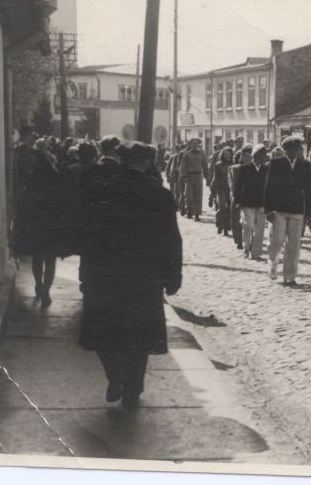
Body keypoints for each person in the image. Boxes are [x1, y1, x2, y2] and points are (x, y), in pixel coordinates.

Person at [79, 142, 182, 408]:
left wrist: (85, 273)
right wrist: (173, 276)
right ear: (148, 162)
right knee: (139, 334)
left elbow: (89, 238)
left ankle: (114, 375)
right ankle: (133, 387)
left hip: (106, 274)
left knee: (106, 331)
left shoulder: (104, 190)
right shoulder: (159, 194)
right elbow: (171, 238)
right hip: (144, 276)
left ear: (122, 161)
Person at [13, 137, 72, 307]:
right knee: (50, 259)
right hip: (53, 225)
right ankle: (46, 290)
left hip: (37, 224)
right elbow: (63, 204)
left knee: (37, 258)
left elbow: (25, 205)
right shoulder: (57, 180)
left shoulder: (31, 182)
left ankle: (38, 284)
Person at [264, 135, 311, 286]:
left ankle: (289, 276)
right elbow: (269, 187)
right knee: (276, 241)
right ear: (287, 150)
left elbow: (309, 190)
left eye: (299, 149)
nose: (298, 152)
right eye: (295, 149)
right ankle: (272, 265)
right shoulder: (276, 163)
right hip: (278, 209)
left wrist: (310, 213)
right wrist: (268, 209)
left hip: (297, 209)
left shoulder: (305, 165)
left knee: (293, 244)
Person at [235, 144, 269, 260]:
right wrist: (238, 201)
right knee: (248, 226)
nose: (266, 156)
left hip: (262, 203)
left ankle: (256, 253)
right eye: (264, 154)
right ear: (257, 155)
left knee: (259, 229)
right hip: (247, 203)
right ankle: (246, 249)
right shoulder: (244, 169)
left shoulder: (266, 169)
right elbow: (238, 186)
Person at [179, 138, 209, 221]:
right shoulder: (186, 154)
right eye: (193, 143)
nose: (195, 145)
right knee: (189, 195)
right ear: (190, 144)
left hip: (198, 176)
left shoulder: (202, 154)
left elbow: (205, 166)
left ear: (198, 144)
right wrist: (184, 176)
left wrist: (207, 177)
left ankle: (197, 214)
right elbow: (183, 166)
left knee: (198, 196)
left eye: (196, 143)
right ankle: (189, 211)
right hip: (189, 176)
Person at [229, 147, 252, 249]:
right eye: (245, 156)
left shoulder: (253, 169)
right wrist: (235, 194)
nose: (247, 158)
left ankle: (249, 241)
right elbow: (231, 183)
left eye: (249, 156)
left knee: (249, 220)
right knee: (236, 219)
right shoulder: (234, 168)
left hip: (249, 196)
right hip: (237, 196)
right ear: (241, 156)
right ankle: (239, 240)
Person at [210, 146, 234, 236]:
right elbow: (215, 178)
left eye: (229, 154)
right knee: (223, 206)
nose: (227, 156)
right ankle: (220, 225)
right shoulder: (218, 165)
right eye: (226, 154)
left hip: (230, 189)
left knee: (230, 208)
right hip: (221, 189)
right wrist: (212, 192)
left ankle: (226, 227)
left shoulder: (233, 164)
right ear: (222, 155)